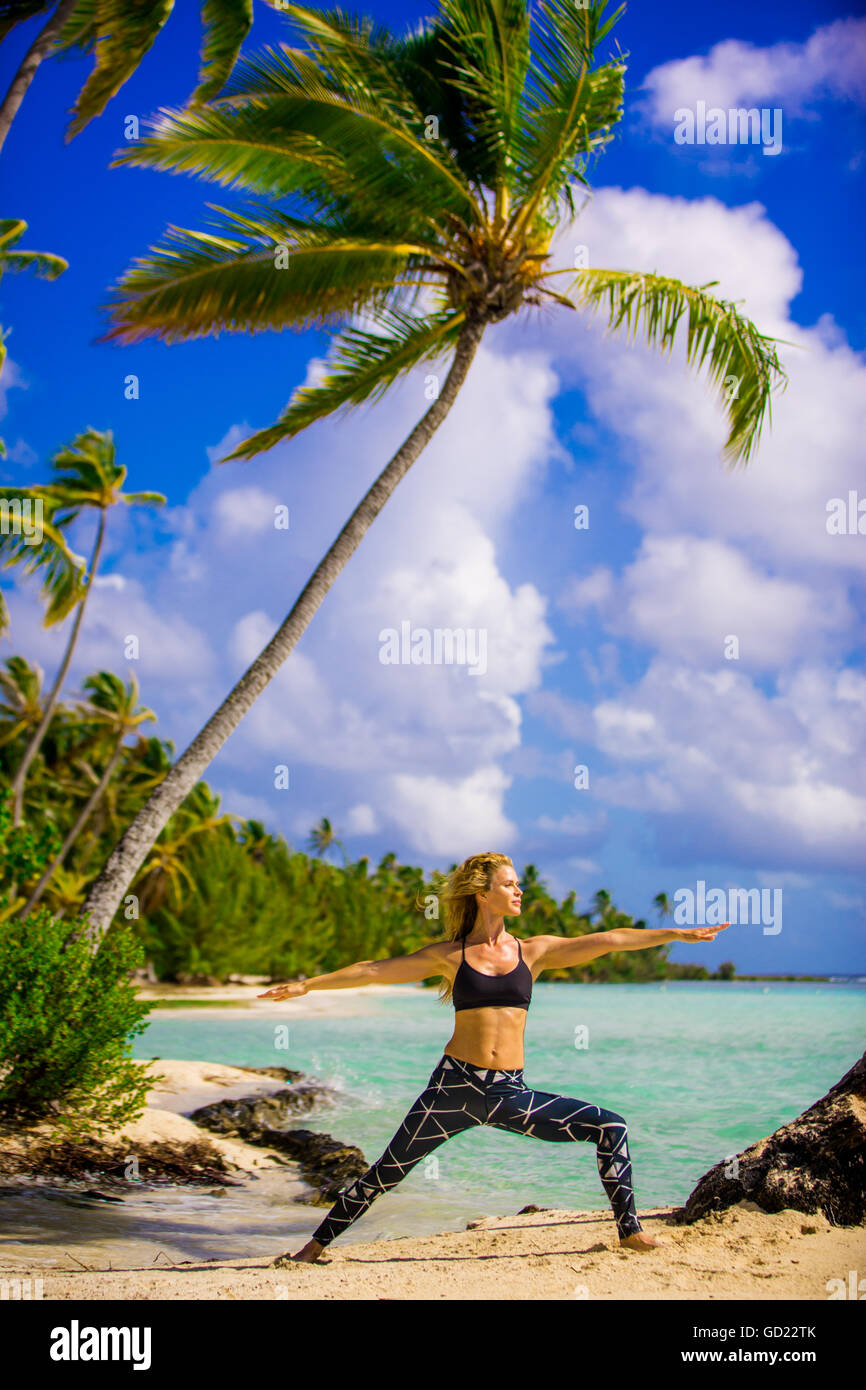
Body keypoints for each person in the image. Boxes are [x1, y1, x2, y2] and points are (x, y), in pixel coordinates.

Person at [259, 851, 728, 1264]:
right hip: (453, 1089)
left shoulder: (534, 952)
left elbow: (608, 939)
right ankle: (313, 1247)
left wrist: (675, 934)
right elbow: (374, 970)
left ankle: (630, 1231)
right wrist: (307, 985)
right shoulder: (450, 956)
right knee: (387, 1172)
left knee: (611, 1125)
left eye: (518, 883)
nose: (519, 890)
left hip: (509, 1093)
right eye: (510, 883)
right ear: (483, 893)